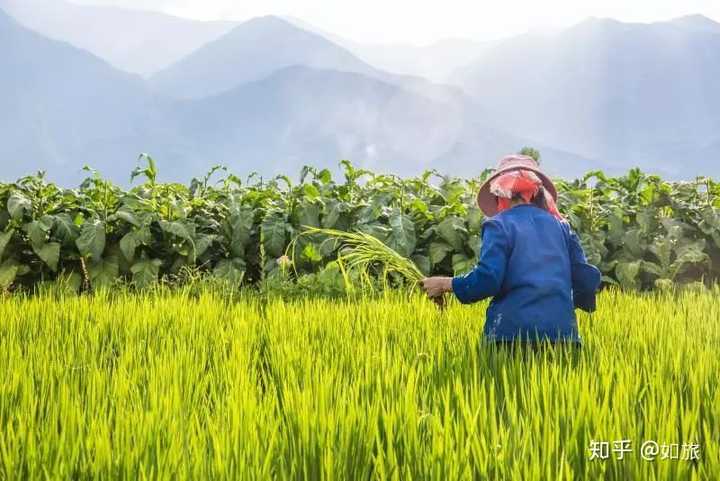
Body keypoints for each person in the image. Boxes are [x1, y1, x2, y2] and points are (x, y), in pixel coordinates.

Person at [422, 154, 601, 348]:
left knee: (502, 379)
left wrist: (444, 283)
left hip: (510, 337)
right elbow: (587, 278)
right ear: (537, 193)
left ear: (500, 193)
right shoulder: (562, 227)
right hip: (564, 338)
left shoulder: (499, 225)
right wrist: (559, 305)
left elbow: (488, 280)